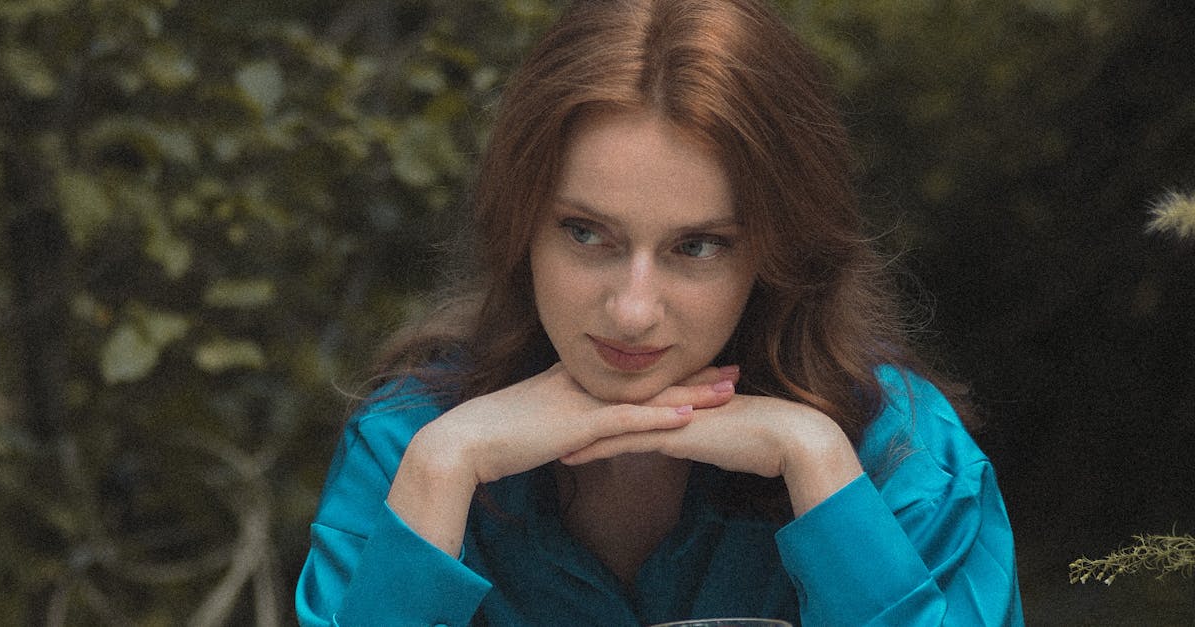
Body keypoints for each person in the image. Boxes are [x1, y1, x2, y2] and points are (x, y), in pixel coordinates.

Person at [296, 0, 1024, 624]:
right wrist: (440, 472)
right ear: (521, 224)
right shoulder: (411, 445)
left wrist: (820, 465)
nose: (633, 310)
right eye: (586, 233)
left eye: (698, 246)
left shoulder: (902, 451)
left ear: (778, 250)